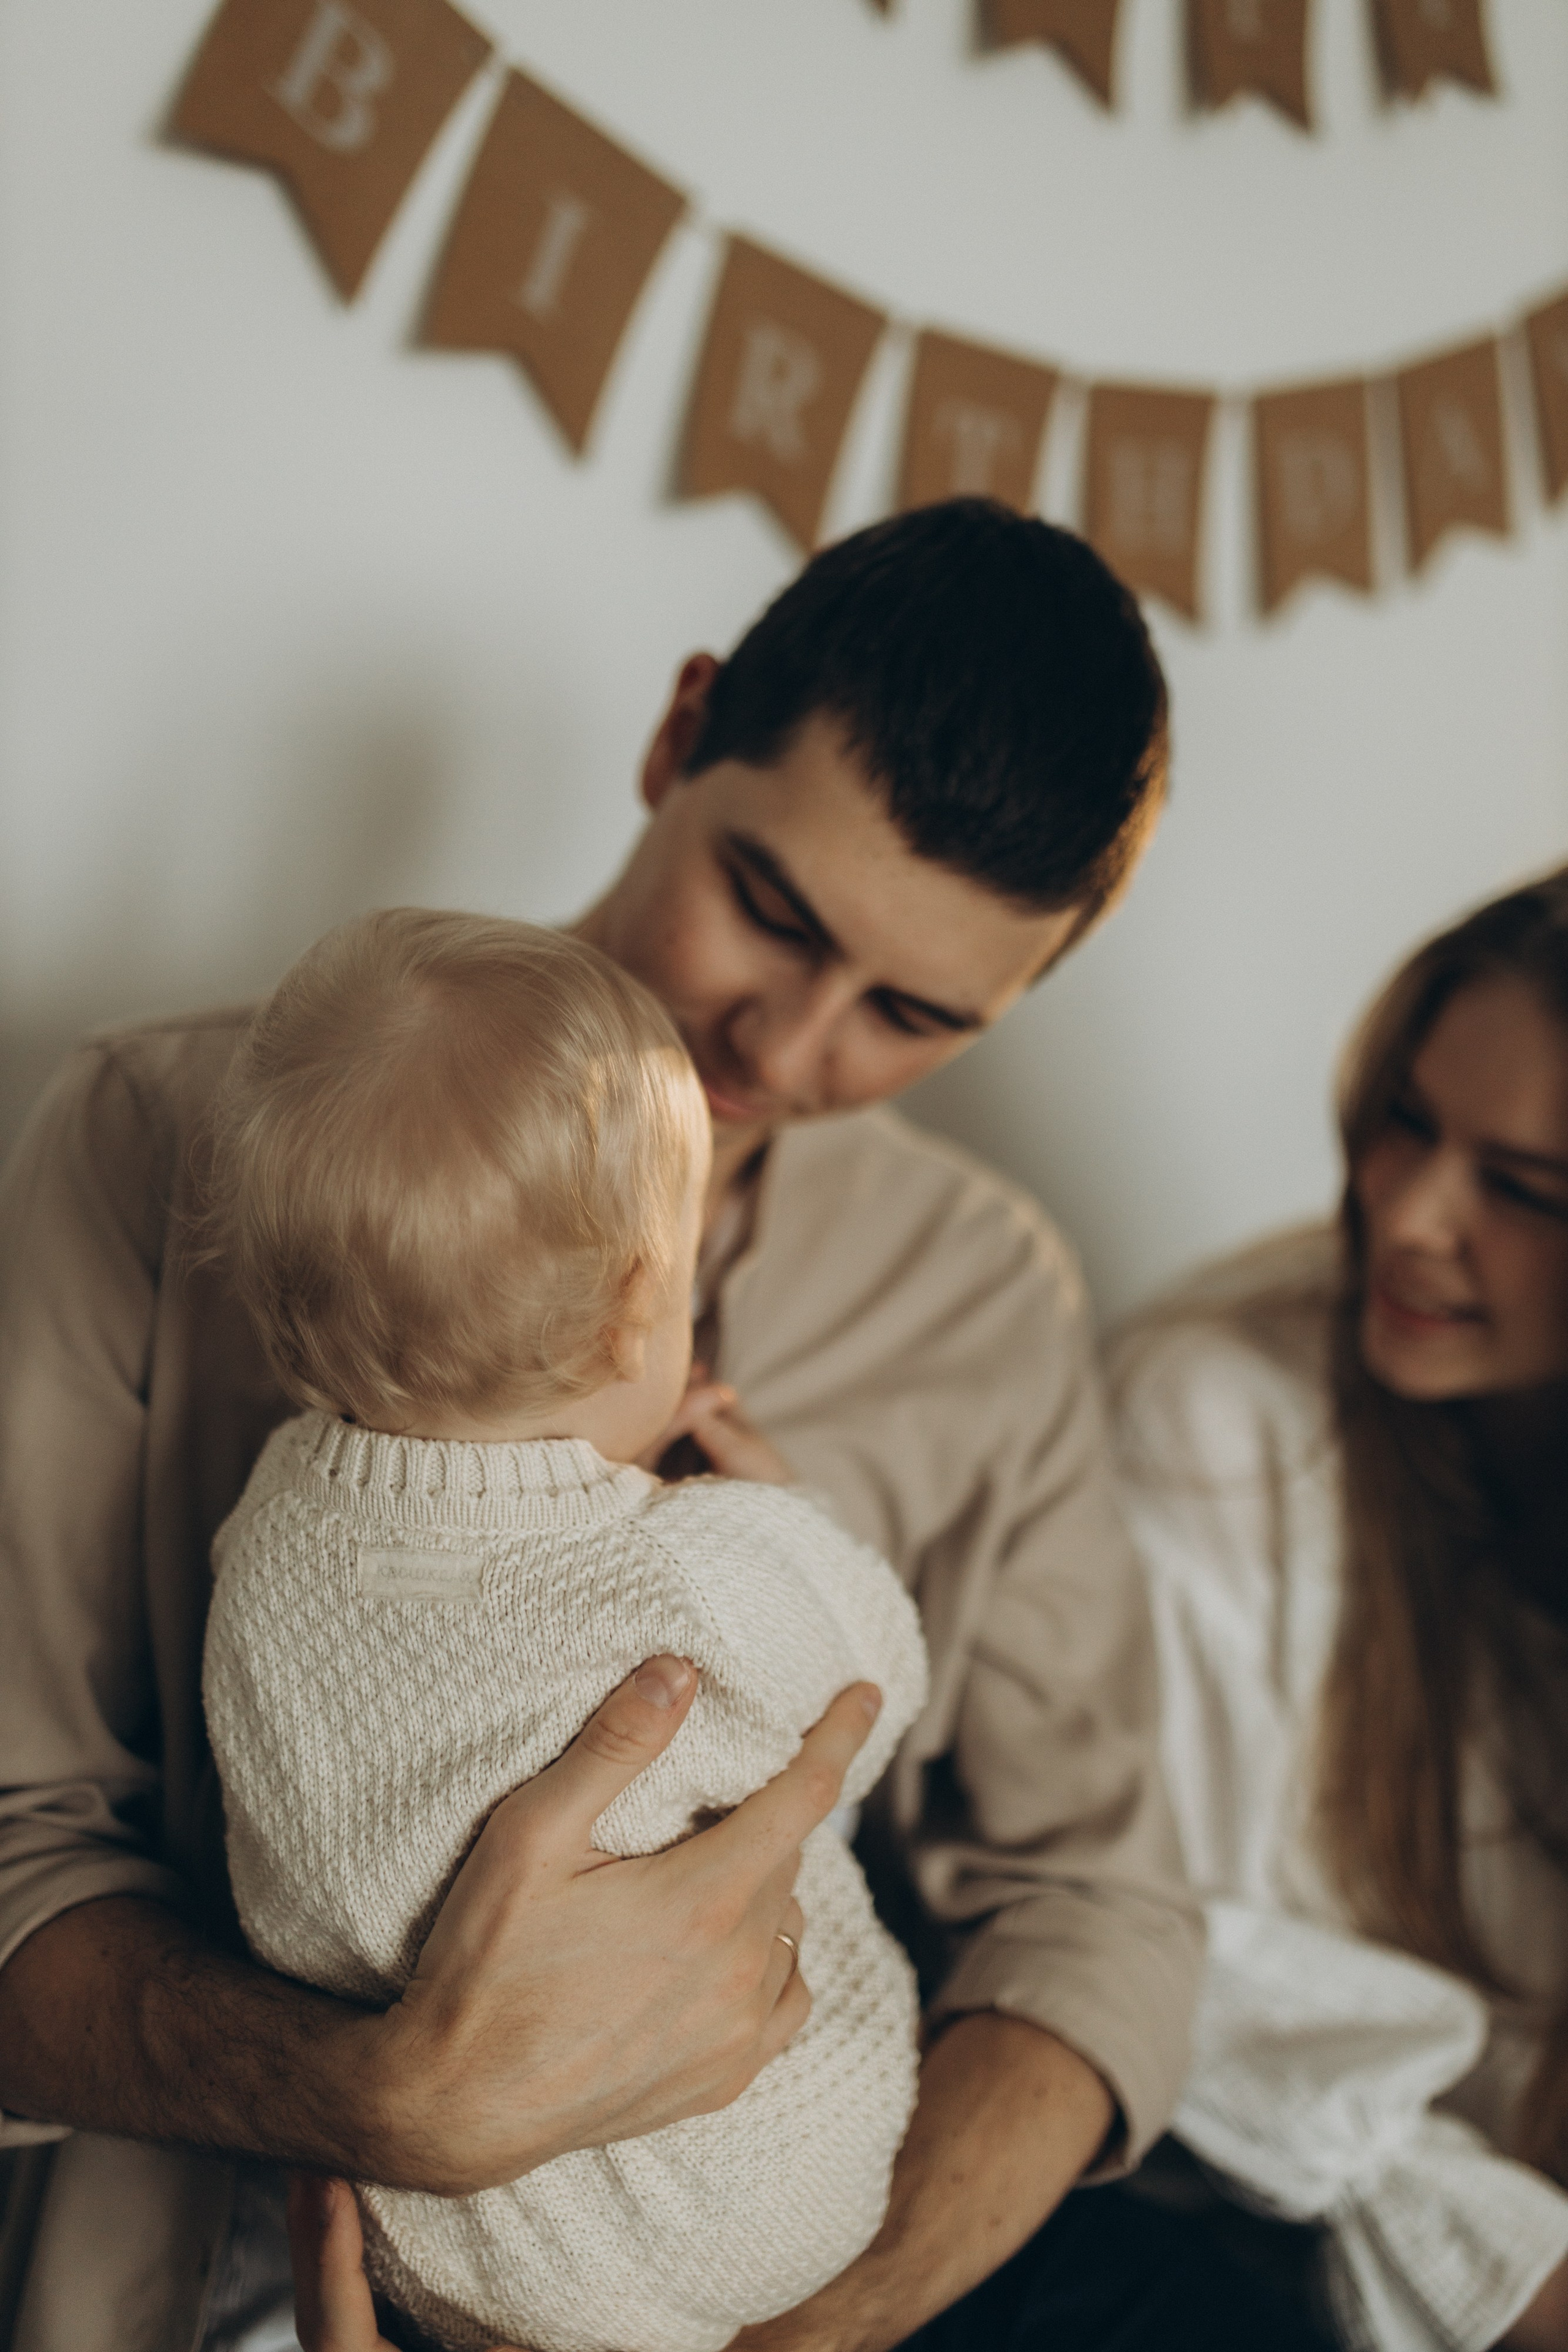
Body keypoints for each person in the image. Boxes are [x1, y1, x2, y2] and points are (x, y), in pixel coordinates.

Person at [0, 499, 1205, 2352]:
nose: (786, 1049)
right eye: (771, 911)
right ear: (679, 732)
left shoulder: (979, 1299)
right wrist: (383, 2101)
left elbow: (1098, 1912)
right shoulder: (165, 1140)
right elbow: (17, 1836)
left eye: (908, 1014)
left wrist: (801, 2335)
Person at [202, 910, 928, 2352]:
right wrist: (775, 1515)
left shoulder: (260, 1539)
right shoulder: (676, 1566)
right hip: (749, 2191)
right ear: (633, 1317)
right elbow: (876, 1683)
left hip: (442, 2243)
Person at [1110, 867, 1568, 2352]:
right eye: (1404, 1123)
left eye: (1523, 1192)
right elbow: (1175, 1956)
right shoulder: (1219, 1420)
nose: (1407, 1214)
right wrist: (1513, 2275)